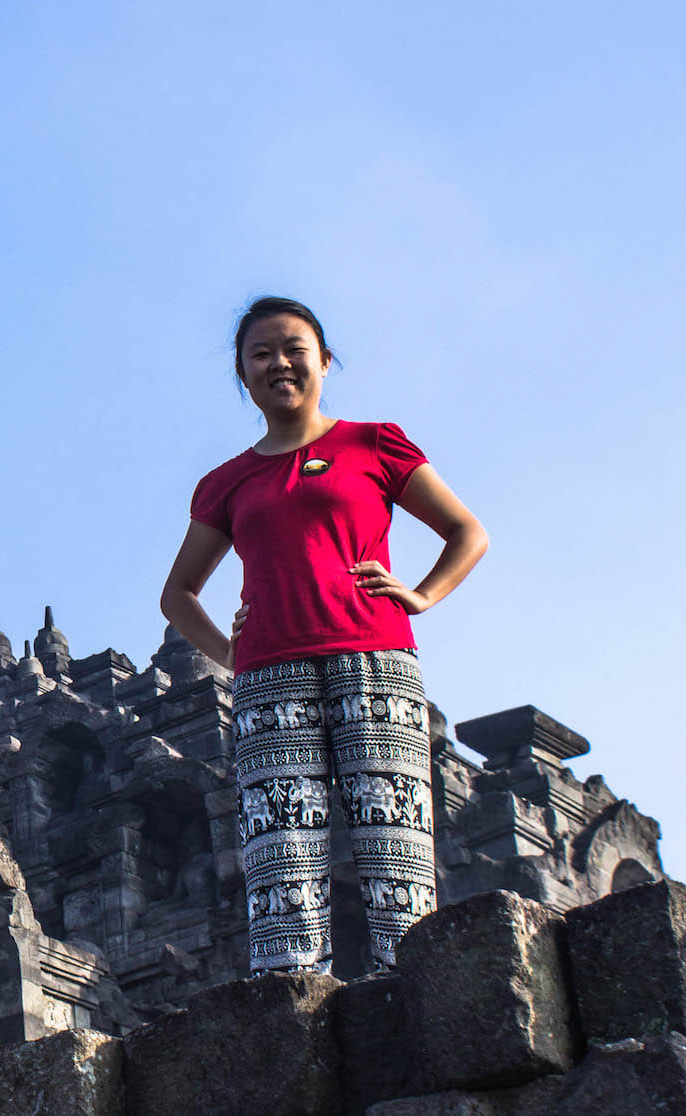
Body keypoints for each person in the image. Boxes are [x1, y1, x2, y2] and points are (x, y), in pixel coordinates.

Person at [159, 297, 488, 975]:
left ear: (325, 361)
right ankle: (293, 1009)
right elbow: (177, 594)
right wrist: (228, 652)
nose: (279, 363)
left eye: (294, 349)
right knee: (281, 859)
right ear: (243, 377)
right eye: (261, 354)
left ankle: (417, 992)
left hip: (374, 660)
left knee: (394, 846)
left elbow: (467, 533)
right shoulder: (227, 481)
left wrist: (422, 595)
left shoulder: (373, 444)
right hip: (269, 677)